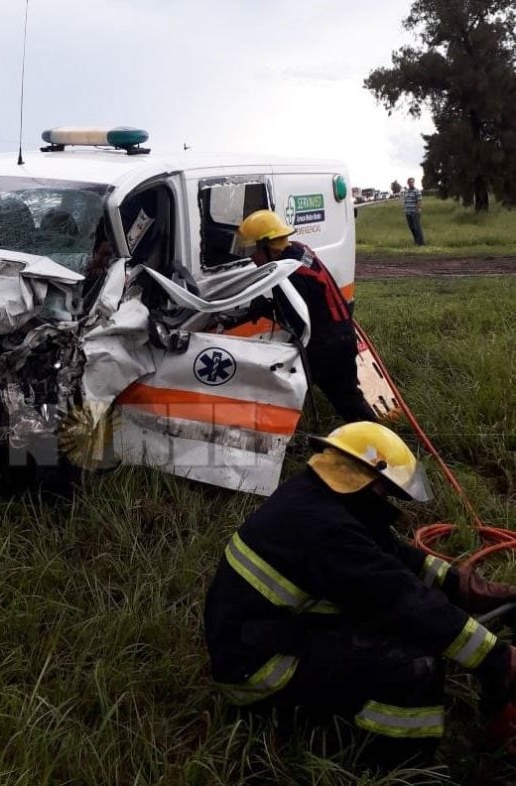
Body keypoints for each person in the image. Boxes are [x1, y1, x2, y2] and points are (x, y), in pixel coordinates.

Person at [204, 421, 516, 769]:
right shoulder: (328, 531)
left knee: (407, 626)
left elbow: (392, 556)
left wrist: (463, 586)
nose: (385, 500)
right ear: (365, 480)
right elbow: (405, 601)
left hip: (264, 632)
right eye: (385, 490)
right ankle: (403, 767)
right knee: (414, 664)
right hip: (256, 671)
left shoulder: (317, 496)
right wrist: (496, 658)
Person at [236, 210, 376, 423]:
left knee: (284, 392)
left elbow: (297, 324)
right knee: (348, 397)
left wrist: (268, 309)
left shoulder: (286, 274)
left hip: (325, 344)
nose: (250, 257)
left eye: (252, 249)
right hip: (343, 331)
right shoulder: (298, 250)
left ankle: (375, 446)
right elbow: (308, 299)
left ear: (266, 245)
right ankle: (375, 440)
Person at [404, 177, 425, 246]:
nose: (411, 183)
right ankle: (416, 241)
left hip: (414, 212)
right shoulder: (406, 191)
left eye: (412, 182)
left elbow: (419, 201)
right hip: (407, 212)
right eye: (410, 182)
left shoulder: (417, 191)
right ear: (408, 183)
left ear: (414, 183)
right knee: (412, 227)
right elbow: (406, 201)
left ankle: (421, 243)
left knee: (417, 227)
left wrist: (417, 210)